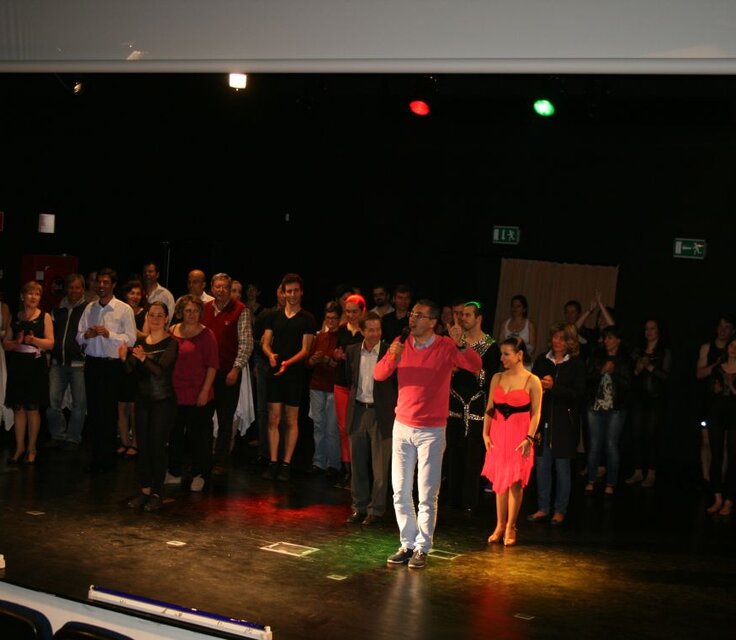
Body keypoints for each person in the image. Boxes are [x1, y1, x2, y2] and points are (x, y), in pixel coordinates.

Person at [375, 299, 481, 569]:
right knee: (400, 491)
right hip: (402, 425)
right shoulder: (402, 343)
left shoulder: (445, 346)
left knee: (426, 493)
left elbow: (475, 365)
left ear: (433, 322)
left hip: (431, 430)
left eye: (419, 315)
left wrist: (461, 343)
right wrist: (392, 355)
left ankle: (422, 547)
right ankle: (407, 544)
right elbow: (379, 374)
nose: (412, 319)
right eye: (412, 314)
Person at [482, 337, 542, 546]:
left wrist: (529, 438)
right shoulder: (497, 377)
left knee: (515, 482)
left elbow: (536, 413)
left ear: (519, 355)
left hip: (520, 435)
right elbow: (490, 408)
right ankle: (499, 525)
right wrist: (485, 434)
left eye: (506, 354)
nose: (502, 358)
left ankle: (511, 526)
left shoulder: (532, 380)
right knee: (500, 481)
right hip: (498, 433)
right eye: (502, 354)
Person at [119, 301, 178, 511]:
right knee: (143, 446)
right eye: (151, 315)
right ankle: (144, 490)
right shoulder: (141, 341)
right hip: (143, 400)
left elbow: (160, 371)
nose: (155, 318)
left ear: (166, 319)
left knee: (156, 446)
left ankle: (157, 492)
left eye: (160, 315)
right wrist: (123, 358)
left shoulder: (171, 343)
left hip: (163, 401)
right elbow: (130, 370)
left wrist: (143, 358)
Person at [77, 268, 137, 473]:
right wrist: (88, 335)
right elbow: (78, 336)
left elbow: (131, 339)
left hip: (112, 365)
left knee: (109, 412)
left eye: (105, 282)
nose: (101, 286)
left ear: (113, 285)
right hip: (93, 363)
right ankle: (96, 457)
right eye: (99, 282)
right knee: (94, 412)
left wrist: (109, 334)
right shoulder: (90, 307)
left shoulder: (123, 309)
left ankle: (108, 459)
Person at [528, 323, 586, 525]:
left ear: (570, 342)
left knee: (562, 468)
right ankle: (543, 507)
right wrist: (540, 387)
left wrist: (554, 387)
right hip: (543, 421)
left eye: (562, 338)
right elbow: (531, 387)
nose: (557, 341)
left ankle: (560, 510)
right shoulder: (542, 360)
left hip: (565, 424)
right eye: (555, 337)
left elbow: (579, 394)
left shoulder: (576, 364)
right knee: (542, 466)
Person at [261, 273, 316, 481]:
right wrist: (270, 355)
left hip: (294, 374)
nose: (292, 295)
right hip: (275, 372)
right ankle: (273, 461)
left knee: (291, 419)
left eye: (295, 291)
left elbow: (306, 350)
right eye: (288, 291)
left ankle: (286, 463)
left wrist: (288, 363)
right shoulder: (273, 316)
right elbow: (265, 342)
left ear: (301, 292)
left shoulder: (307, 319)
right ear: (283, 293)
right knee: (273, 417)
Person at [445, 301, 500, 511]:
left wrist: (474, 370)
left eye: (467, 315)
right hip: (455, 402)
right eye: (461, 314)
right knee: (453, 450)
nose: (463, 318)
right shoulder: (455, 341)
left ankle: (469, 502)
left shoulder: (490, 346)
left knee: (473, 454)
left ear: (479, 318)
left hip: (476, 403)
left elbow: (491, 379)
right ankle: (452, 498)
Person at [344, 312, 397, 525]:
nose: (376, 334)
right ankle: (359, 507)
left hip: (381, 413)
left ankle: (376, 510)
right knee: (357, 464)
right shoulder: (352, 351)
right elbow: (350, 379)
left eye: (378, 329)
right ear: (362, 331)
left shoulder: (389, 352)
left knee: (380, 467)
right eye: (371, 330)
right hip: (358, 411)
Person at [202, 273, 253, 475]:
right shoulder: (205, 308)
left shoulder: (240, 310)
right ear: (212, 288)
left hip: (227, 373)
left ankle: (220, 461)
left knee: (225, 419)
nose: (221, 290)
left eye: (225, 287)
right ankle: (204, 457)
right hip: (206, 373)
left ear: (230, 289)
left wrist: (236, 369)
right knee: (203, 417)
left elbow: (246, 343)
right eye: (218, 287)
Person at [168, 295, 218, 492]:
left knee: (199, 438)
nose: (191, 314)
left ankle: (200, 474)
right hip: (175, 394)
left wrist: (204, 391)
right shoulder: (172, 331)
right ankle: (174, 472)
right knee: (175, 435)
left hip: (198, 394)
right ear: (181, 312)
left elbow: (213, 366)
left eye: (195, 311)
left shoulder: (207, 335)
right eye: (188, 310)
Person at [3, 281, 55, 464]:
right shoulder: (14, 317)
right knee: (18, 408)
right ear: (22, 296)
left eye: (37, 294)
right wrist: (16, 343)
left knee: (33, 409)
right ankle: (19, 447)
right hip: (18, 366)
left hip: (35, 367)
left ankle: (32, 448)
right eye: (30, 293)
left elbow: (51, 343)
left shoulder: (45, 316)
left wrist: (34, 340)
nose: (34, 297)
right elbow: (6, 344)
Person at [584, 325, 632, 496]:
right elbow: (587, 379)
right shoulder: (597, 356)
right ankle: (591, 479)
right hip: (595, 407)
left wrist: (614, 372)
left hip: (616, 409)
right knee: (594, 445)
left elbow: (628, 385)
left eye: (610, 338)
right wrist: (601, 371)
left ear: (618, 340)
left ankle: (610, 483)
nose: (606, 341)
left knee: (611, 445)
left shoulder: (625, 359)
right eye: (605, 338)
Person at [45, 273, 91, 451]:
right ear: (66, 289)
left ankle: (73, 437)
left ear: (83, 289)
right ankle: (58, 435)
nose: (74, 291)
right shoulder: (57, 309)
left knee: (79, 404)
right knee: (52, 403)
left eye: (78, 287)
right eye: (71, 287)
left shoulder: (88, 309)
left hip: (79, 364)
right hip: (57, 364)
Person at [625, 318, 672, 488]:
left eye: (652, 328)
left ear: (658, 331)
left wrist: (651, 367)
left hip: (655, 399)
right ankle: (638, 471)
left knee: (651, 435)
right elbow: (631, 375)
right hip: (638, 398)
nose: (649, 332)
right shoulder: (638, 351)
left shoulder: (664, 352)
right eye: (646, 329)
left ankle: (651, 473)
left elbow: (666, 376)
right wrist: (638, 368)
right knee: (636, 434)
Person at [696, 314, 735, 482]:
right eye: (720, 326)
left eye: (727, 327)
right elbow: (699, 373)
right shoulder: (707, 347)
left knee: (724, 444)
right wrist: (717, 365)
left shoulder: (734, 348)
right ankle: (707, 478)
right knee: (706, 441)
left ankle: (720, 480)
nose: (722, 330)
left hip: (728, 403)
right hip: (709, 401)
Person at [306, 301, 342, 476]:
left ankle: (333, 464)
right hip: (317, 385)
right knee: (318, 425)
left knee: (331, 428)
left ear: (339, 319)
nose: (331, 322)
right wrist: (313, 360)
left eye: (334, 318)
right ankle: (319, 461)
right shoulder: (320, 337)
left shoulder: (342, 337)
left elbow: (342, 365)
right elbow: (308, 363)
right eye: (328, 318)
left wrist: (327, 360)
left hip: (333, 386)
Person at [705, 334, 736, 516]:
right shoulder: (718, 368)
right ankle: (717, 498)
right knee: (716, 456)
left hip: (734, 417)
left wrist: (731, 385)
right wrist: (715, 389)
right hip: (717, 414)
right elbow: (710, 391)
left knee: (733, 458)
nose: (734, 349)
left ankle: (729, 500)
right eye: (732, 345)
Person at [116, 279, 147, 457]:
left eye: (138, 293)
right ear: (126, 294)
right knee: (121, 405)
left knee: (135, 406)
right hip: (120, 359)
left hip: (137, 361)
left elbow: (147, 336)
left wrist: (131, 329)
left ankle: (135, 443)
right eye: (132, 293)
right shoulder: (120, 310)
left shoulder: (145, 313)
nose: (135, 296)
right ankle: (124, 441)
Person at [496, 294, 537, 359]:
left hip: (523, 360)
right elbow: (500, 344)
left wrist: (519, 346)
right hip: (507, 359)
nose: (515, 308)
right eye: (513, 306)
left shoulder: (530, 325)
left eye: (518, 306)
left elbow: (532, 348)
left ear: (524, 309)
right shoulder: (504, 324)